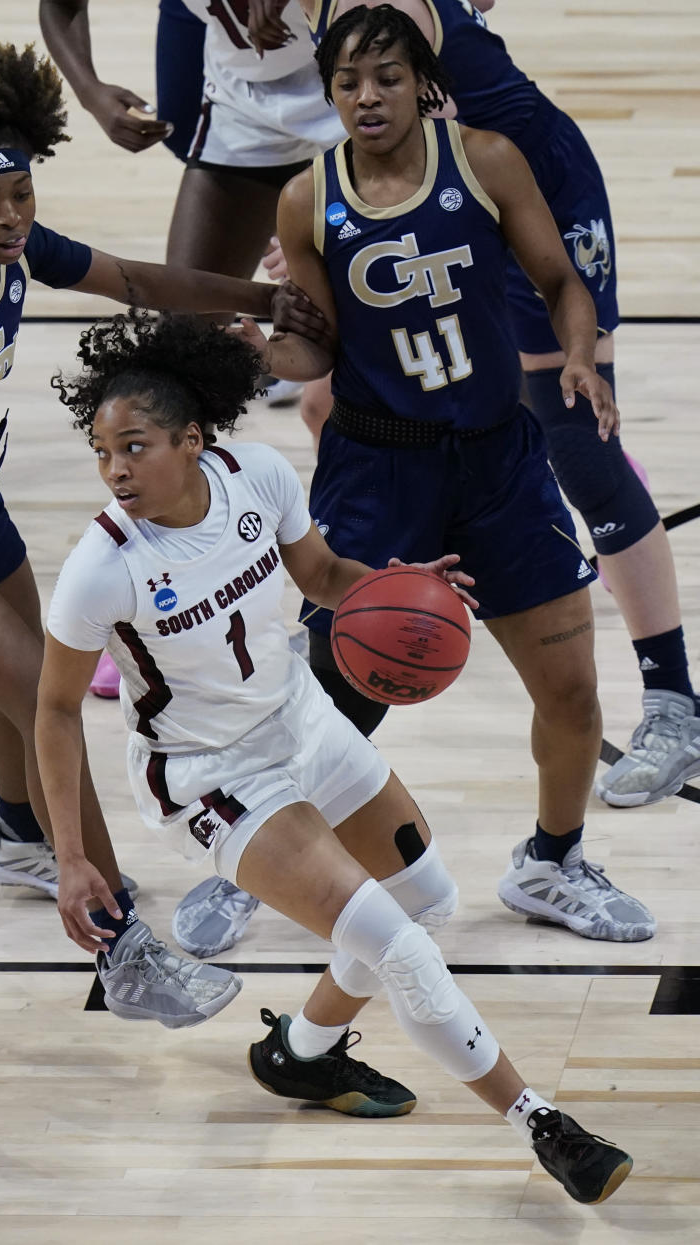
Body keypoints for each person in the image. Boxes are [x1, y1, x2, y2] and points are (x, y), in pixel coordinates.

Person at [37, 308, 633, 1205]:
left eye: (136, 445)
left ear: (193, 440)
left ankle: (301, 1054)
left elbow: (320, 577)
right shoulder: (103, 566)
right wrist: (74, 856)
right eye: (103, 451)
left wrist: (402, 585)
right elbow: (50, 706)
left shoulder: (259, 477)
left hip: (301, 717)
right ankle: (541, 1120)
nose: (115, 469)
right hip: (212, 777)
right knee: (398, 945)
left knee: (425, 898)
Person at [0, 42, 321, 1028]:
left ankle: (18, 831)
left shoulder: (22, 247)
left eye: (22, 196)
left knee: (21, 686)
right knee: (42, 690)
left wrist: (255, 298)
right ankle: (123, 950)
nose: (10, 218)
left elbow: (129, 277)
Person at [232, 6, 657, 942]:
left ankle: (554, 860)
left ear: (421, 81)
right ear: (327, 93)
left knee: (574, 690)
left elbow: (559, 282)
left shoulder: (487, 160)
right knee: (332, 694)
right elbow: (317, 352)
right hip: (377, 466)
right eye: (347, 83)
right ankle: (255, 861)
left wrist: (579, 354)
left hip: (499, 460)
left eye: (385, 77)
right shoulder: (307, 198)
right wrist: (264, 352)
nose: (366, 97)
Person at [39, 0, 348, 958]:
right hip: (245, 103)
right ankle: (159, 589)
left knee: (357, 349)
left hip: (355, 92)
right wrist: (89, 93)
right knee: (179, 345)